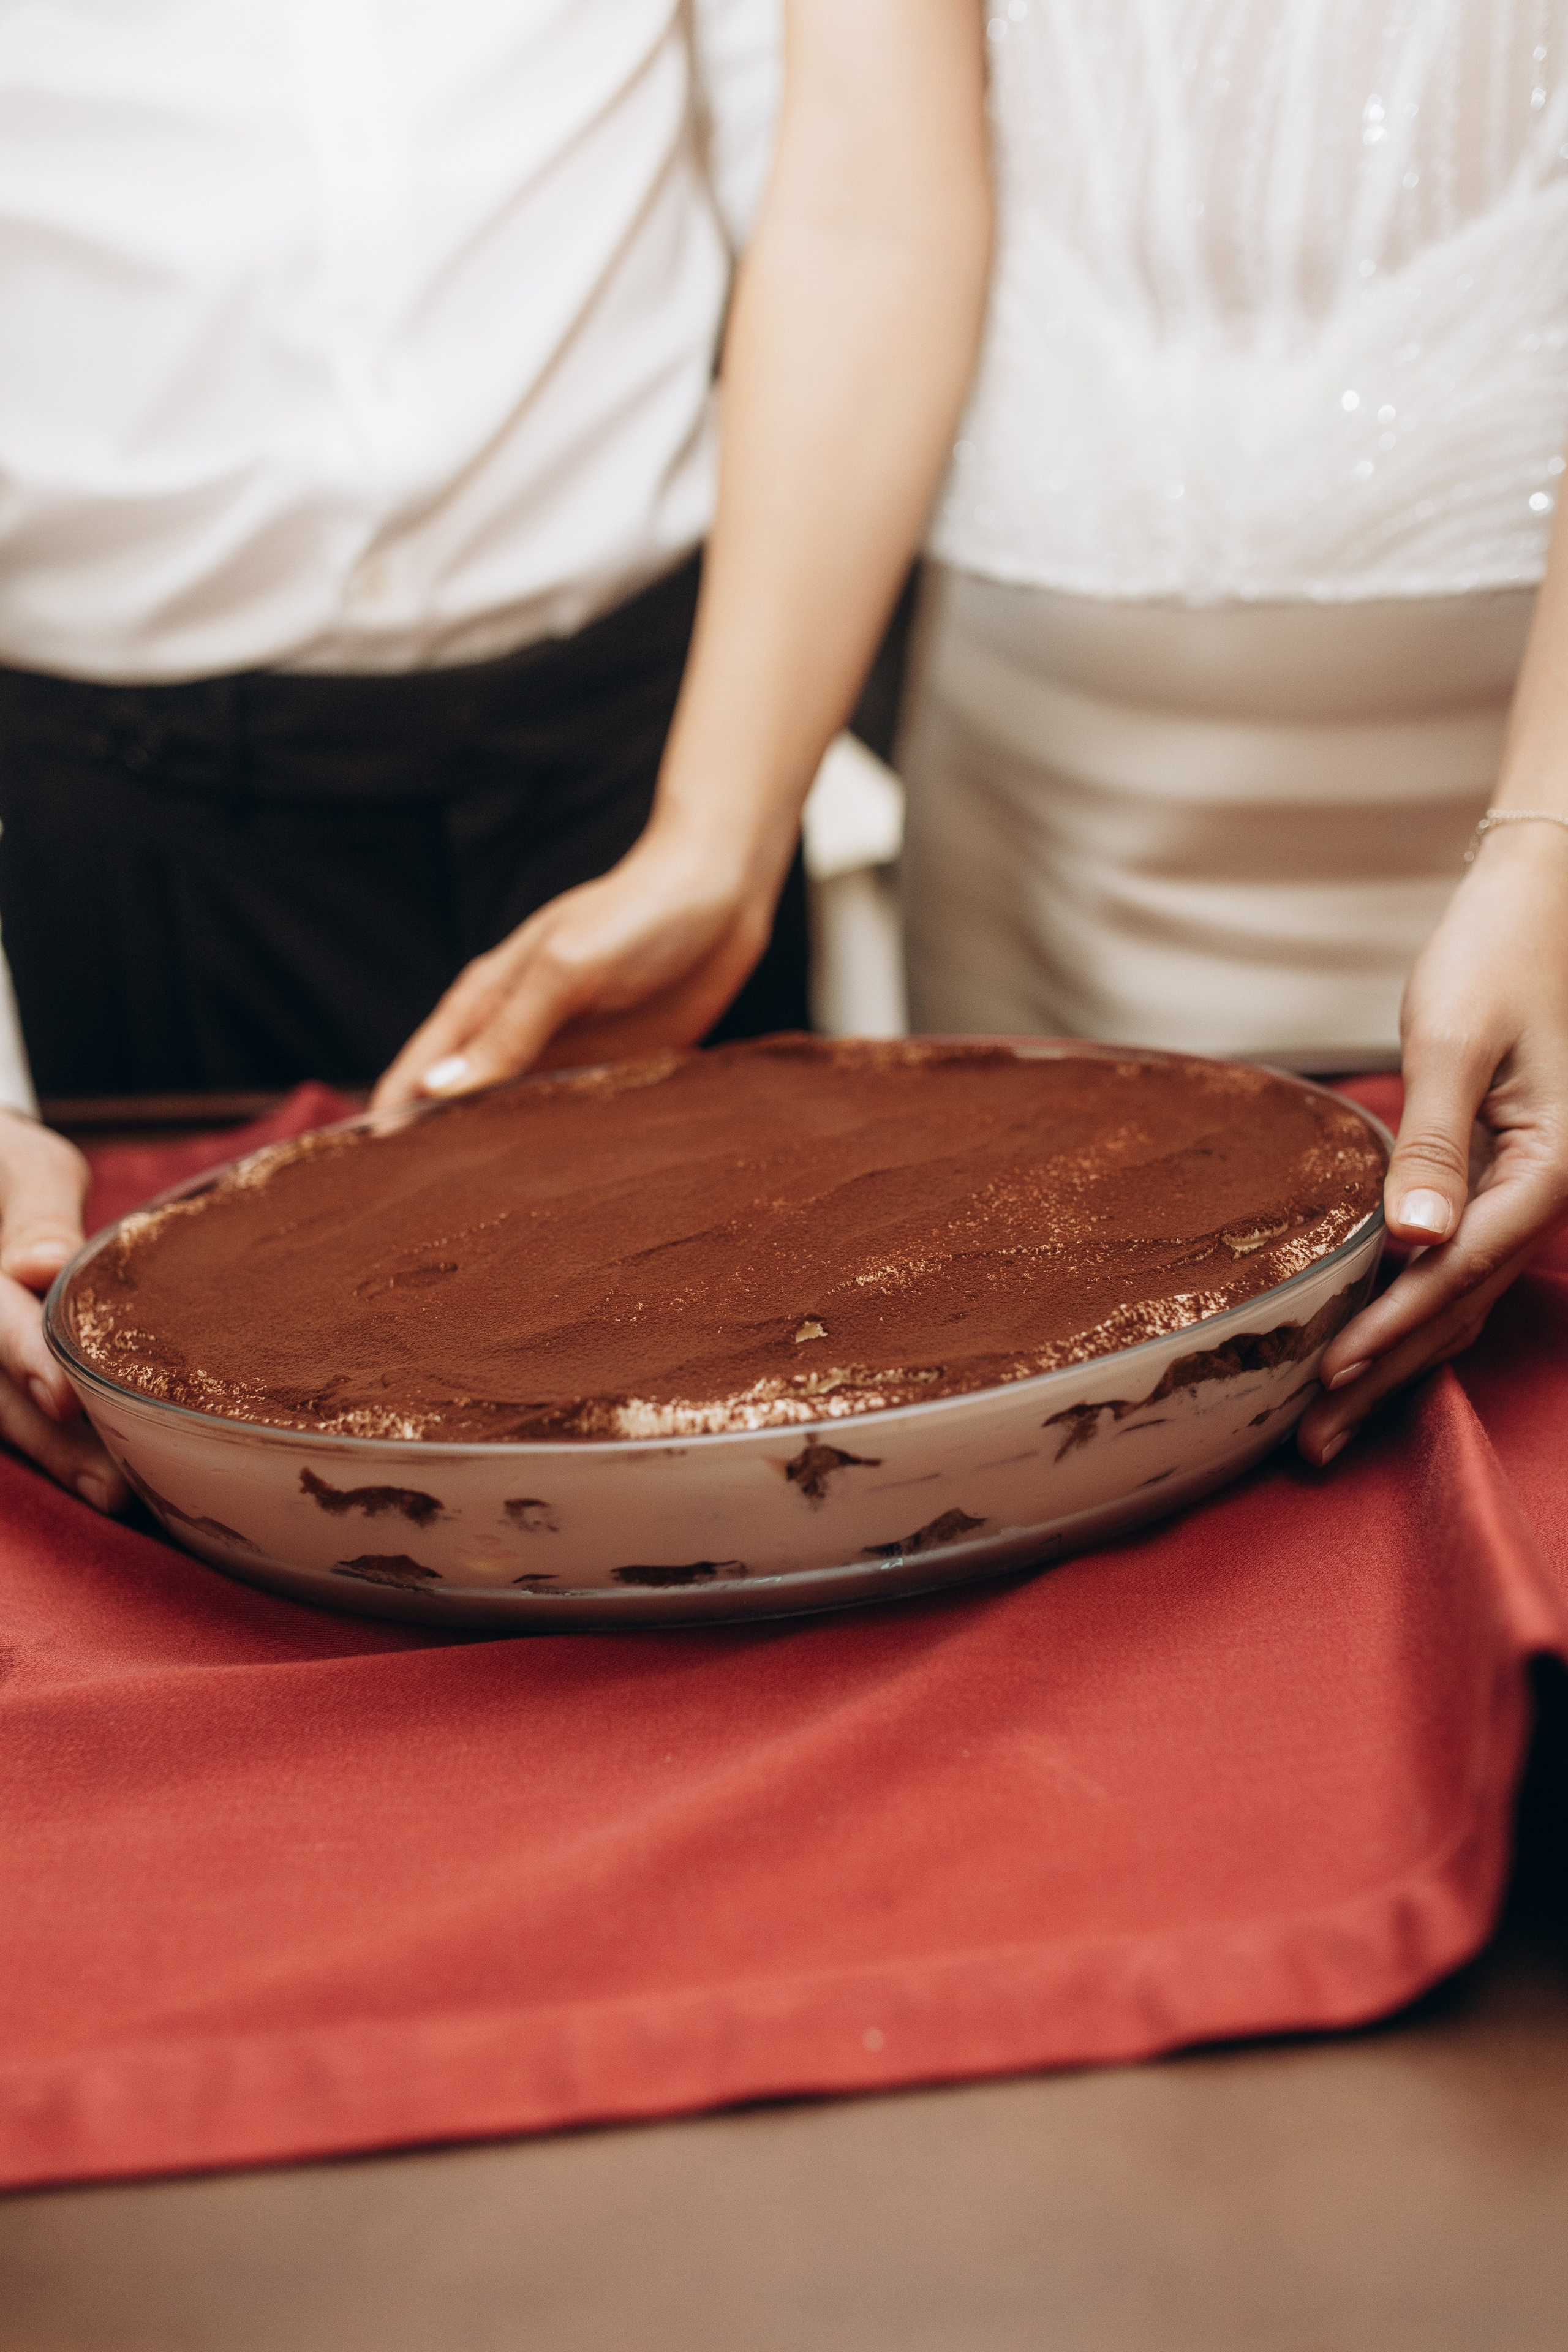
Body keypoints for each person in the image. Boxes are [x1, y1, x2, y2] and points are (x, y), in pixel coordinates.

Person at [0, 0, 992, 1510]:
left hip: (660, 757)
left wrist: (718, 835)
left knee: (771, 1488)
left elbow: (855, 184)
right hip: (123, 842)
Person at [897, 1, 1568, 1471]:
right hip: (1027, 806)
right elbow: (864, 218)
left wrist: (1549, 844)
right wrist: (718, 825)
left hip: (1517, 775)